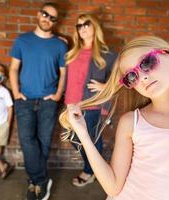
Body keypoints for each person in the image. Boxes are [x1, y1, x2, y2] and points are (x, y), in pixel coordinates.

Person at [60, 36, 169, 200]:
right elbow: (113, 187)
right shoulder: (131, 122)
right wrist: (83, 134)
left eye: (147, 63)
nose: (143, 77)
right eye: (132, 76)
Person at [9, 2, 67, 200]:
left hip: (48, 101)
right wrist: (16, 92)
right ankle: (41, 180)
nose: (47, 19)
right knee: (27, 140)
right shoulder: (22, 40)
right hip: (24, 100)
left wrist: (59, 94)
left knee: (43, 142)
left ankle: (34, 181)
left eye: (52, 18)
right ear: (38, 14)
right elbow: (14, 68)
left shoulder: (60, 45)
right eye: (45, 14)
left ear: (55, 22)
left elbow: (63, 72)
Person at [64, 13, 117, 187]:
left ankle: (89, 171)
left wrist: (105, 87)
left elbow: (121, 79)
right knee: (73, 138)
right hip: (70, 104)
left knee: (91, 140)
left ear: (95, 26)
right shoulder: (73, 52)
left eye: (87, 24)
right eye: (79, 26)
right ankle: (93, 168)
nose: (82, 28)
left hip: (90, 106)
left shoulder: (107, 55)